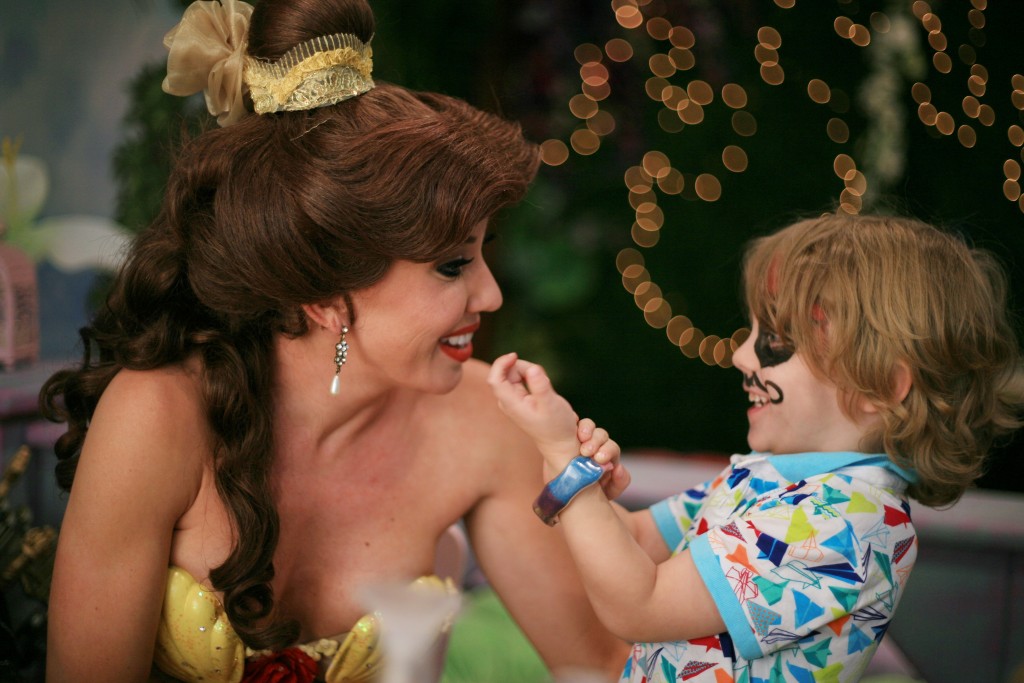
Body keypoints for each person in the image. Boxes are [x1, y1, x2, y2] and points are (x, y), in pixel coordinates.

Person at [40, 0, 632, 680]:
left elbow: (600, 665)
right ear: (323, 296)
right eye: (451, 264)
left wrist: (588, 499)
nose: (491, 294)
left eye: (483, 251)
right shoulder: (155, 416)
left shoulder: (485, 420)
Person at [489, 213, 1023, 682]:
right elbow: (639, 539)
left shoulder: (846, 520)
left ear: (880, 385)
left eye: (776, 342)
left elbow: (639, 603)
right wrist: (588, 487)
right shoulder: (774, 477)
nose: (743, 356)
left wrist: (567, 459)